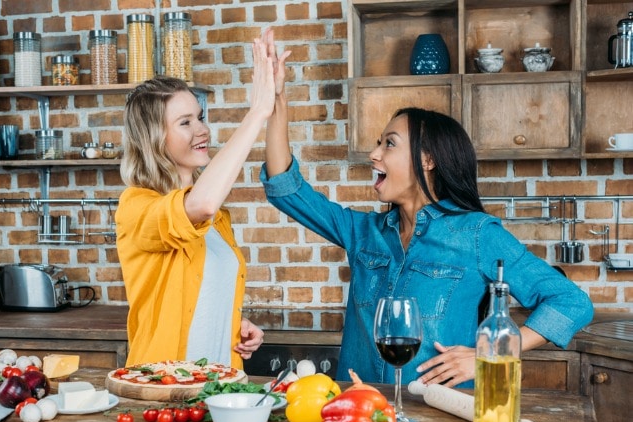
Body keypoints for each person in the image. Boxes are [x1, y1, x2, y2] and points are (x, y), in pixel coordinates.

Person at [260, 30, 594, 388]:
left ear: (428, 160)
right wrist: (277, 99)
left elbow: (571, 302)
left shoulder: (477, 234)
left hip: (437, 417)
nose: (374, 155)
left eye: (389, 144)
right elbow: (286, 189)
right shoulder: (363, 233)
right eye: (378, 143)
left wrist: (492, 352)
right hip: (360, 412)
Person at [116, 38, 274, 368]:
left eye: (200, 117)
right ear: (154, 138)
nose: (202, 130)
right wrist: (257, 112)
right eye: (185, 122)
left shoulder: (218, 221)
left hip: (217, 389)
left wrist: (234, 328)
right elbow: (199, 205)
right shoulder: (137, 206)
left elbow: (201, 298)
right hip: (163, 388)